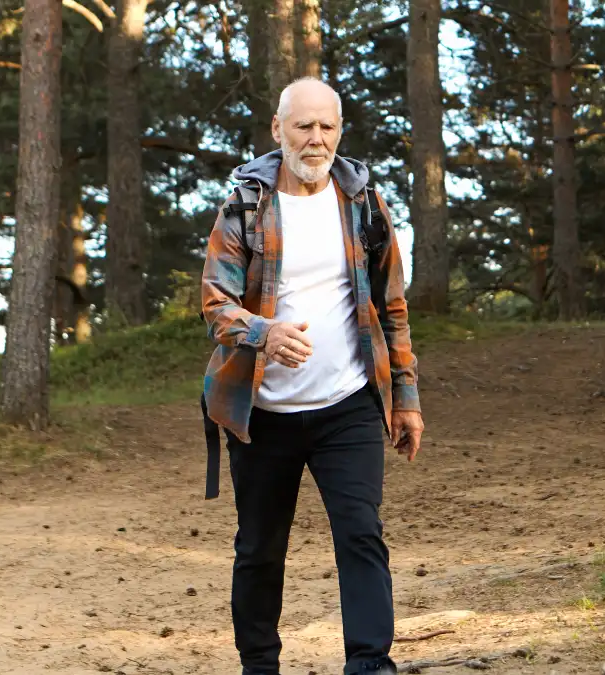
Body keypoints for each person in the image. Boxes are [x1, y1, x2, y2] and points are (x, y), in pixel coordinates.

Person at [200, 76, 424, 675]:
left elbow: (392, 305)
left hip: (347, 403)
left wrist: (405, 398)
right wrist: (264, 333)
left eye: (327, 126)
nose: (316, 138)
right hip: (263, 411)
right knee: (259, 549)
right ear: (278, 130)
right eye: (303, 126)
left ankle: (370, 664)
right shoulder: (245, 206)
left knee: (361, 535)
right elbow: (216, 304)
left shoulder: (364, 205)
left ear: (340, 131)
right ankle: (259, 666)